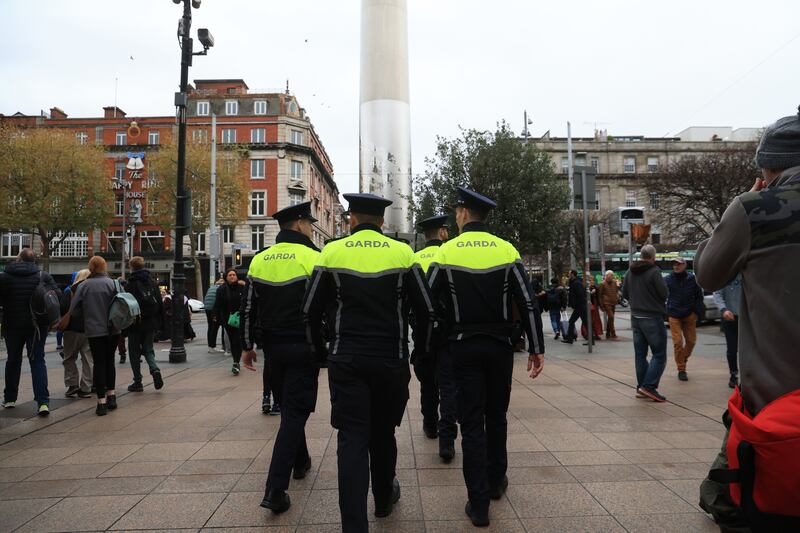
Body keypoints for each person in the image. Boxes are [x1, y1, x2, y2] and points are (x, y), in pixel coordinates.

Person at [303, 193, 435, 532]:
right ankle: (383, 499)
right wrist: (421, 353)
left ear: (351, 218)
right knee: (383, 432)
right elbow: (426, 311)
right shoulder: (403, 253)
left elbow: (309, 311)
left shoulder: (331, 251)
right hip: (390, 358)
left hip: (346, 357)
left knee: (352, 438)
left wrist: (320, 352)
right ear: (381, 222)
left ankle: (354, 525)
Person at [696, 109, 800, 529]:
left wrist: (743, 205)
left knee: (749, 506)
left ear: (769, 167)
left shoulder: (757, 209)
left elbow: (708, 272)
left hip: (774, 405)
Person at [428, 186, 545, 527]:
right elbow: (527, 302)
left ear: (463, 214)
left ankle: (478, 504)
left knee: (472, 422)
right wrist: (537, 347)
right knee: (497, 416)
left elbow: (429, 305)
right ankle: (496, 481)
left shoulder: (445, 253)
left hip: (463, 347)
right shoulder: (507, 250)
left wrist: (433, 342)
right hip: (499, 348)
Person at [240, 201, 321, 514]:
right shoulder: (314, 257)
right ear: (300, 224)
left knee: (289, 406)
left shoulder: (260, 260)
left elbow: (248, 308)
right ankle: (276, 488)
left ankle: (300, 461)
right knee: (294, 412)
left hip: (272, 348)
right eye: (310, 223)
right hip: (303, 345)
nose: (312, 228)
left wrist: (247, 345)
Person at [411, 214, 458, 463]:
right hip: (448, 331)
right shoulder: (450, 255)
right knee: (448, 384)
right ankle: (447, 439)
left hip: (422, 331)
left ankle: (429, 424)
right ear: (441, 232)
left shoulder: (415, 258)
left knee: (427, 381)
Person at [0, 248, 58, 415]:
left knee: (13, 360)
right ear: (34, 261)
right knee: (38, 361)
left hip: (12, 325)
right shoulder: (43, 276)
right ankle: (43, 402)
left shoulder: (4, 277)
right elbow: (57, 297)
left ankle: (10, 398)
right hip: (37, 326)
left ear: (18, 260)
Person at [64, 256, 120, 416]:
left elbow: (73, 309)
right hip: (113, 330)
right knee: (110, 362)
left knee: (99, 363)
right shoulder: (113, 283)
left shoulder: (84, 286)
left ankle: (101, 402)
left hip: (94, 331)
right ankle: (112, 396)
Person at [622, 244, 669, 402]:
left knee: (640, 355)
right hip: (652, 317)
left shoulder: (630, 271)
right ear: (653, 257)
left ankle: (641, 386)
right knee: (659, 354)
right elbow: (664, 293)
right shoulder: (654, 271)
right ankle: (648, 387)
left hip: (635, 317)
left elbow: (624, 293)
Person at [125, 256, 164, 393]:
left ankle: (138, 381)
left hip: (135, 324)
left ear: (131, 267)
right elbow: (159, 303)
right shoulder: (152, 283)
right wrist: (159, 322)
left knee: (134, 352)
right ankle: (155, 369)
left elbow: (126, 307)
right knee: (148, 349)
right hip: (150, 323)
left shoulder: (130, 284)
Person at [664, 257, 703, 381]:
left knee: (691, 341)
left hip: (689, 314)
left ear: (685, 265)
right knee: (678, 343)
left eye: (679, 264)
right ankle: (681, 369)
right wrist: (665, 311)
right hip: (674, 315)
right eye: (674, 264)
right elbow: (661, 296)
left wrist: (696, 312)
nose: (676, 266)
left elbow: (698, 296)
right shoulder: (667, 280)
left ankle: (683, 358)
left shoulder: (692, 279)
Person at [60, 269, 93, 398]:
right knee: (88, 359)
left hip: (72, 329)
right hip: (90, 329)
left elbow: (63, 308)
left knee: (69, 357)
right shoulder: (92, 291)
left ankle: (72, 384)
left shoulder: (70, 291)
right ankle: (86, 388)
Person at [713, 274, 741, 389]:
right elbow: (717, 294)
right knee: (732, 349)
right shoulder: (724, 276)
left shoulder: (745, 274)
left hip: (745, 318)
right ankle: (733, 374)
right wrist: (724, 309)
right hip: (729, 317)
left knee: (747, 350)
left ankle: (748, 375)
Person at [215, 268, 245, 375]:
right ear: (226, 277)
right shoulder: (221, 289)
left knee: (238, 340)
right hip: (227, 320)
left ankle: (236, 361)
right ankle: (236, 360)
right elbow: (217, 305)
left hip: (240, 318)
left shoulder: (242, 288)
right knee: (232, 340)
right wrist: (217, 318)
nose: (232, 277)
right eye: (230, 275)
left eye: (234, 275)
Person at [561, 269, 586, 344]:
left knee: (581, 322)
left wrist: (575, 303)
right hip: (579, 306)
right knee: (573, 321)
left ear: (572, 274)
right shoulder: (574, 282)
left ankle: (570, 339)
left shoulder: (576, 283)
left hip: (580, 306)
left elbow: (580, 294)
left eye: (569, 274)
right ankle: (570, 338)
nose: (568, 275)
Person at [204, 277, 225, 353]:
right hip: (215, 309)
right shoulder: (222, 287)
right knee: (218, 327)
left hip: (207, 308)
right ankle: (223, 346)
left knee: (210, 327)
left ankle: (210, 346)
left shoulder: (211, 287)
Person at [597, 270, 620, 339]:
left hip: (613, 302)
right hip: (606, 303)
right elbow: (600, 296)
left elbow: (616, 292)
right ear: (606, 276)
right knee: (611, 317)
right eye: (610, 275)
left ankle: (608, 333)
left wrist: (618, 287)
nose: (611, 277)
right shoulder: (602, 284)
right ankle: (613, 334)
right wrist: (601, 306)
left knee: (610, 318)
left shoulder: (614, 283)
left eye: (612, 275)